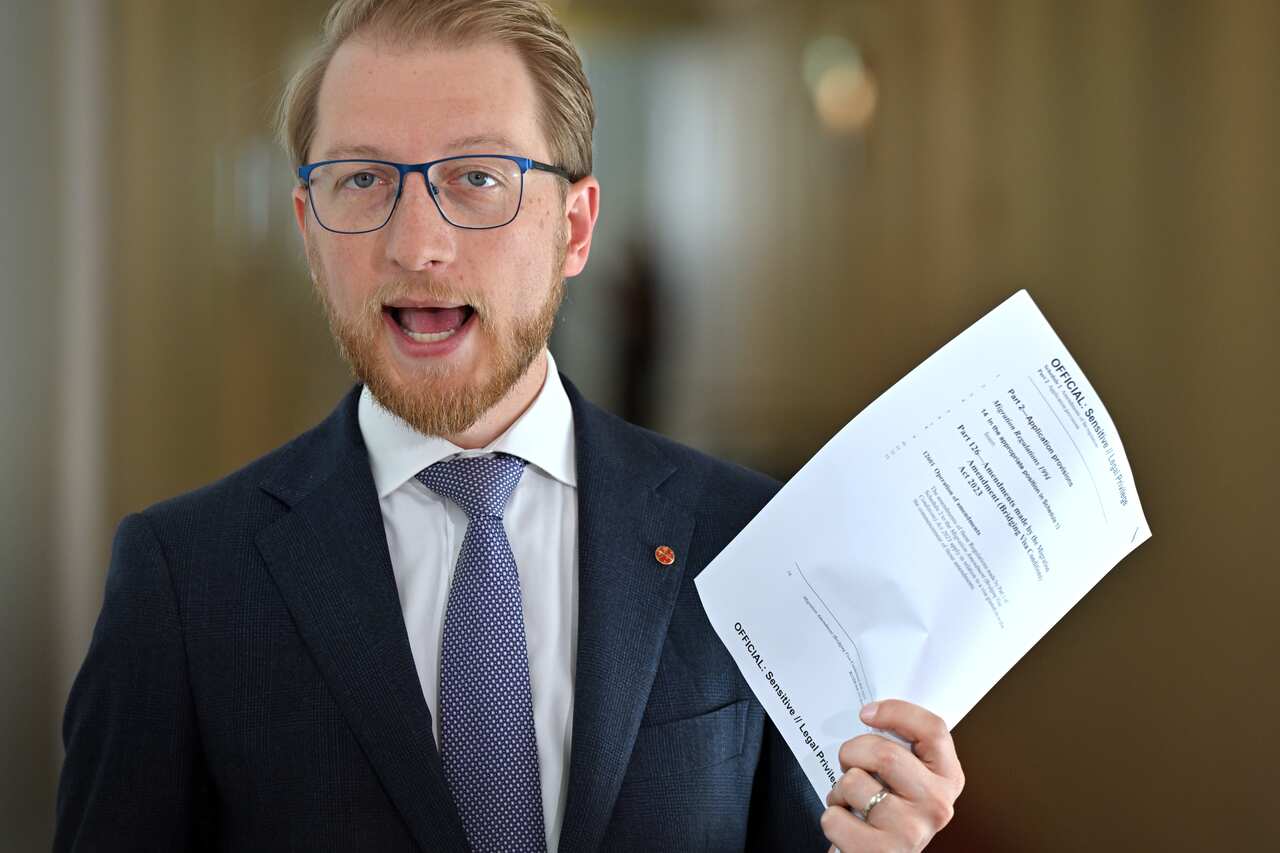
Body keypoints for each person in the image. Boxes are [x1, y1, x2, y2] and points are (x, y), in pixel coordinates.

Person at [54, 1, 964, 850]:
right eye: (362, 180)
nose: (417, 245)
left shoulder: (747, 541)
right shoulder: (182, 582)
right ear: (308, 230)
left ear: (575, 229)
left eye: (478, 177)